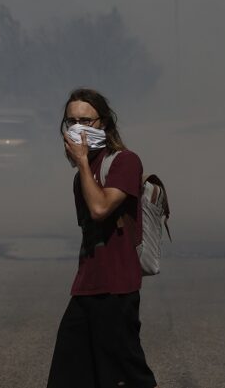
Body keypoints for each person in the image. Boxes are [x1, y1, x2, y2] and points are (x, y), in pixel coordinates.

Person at [47, 88, 158, 388]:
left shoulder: (125, 162)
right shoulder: (82, 175)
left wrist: (82, 162)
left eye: (86, 120)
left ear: (104, 124)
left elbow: (100, 208)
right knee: (67, 377)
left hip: (116, 290)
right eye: (71, 122)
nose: (78, 128)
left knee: (127, 378)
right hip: (87, 287)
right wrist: (84, 167)